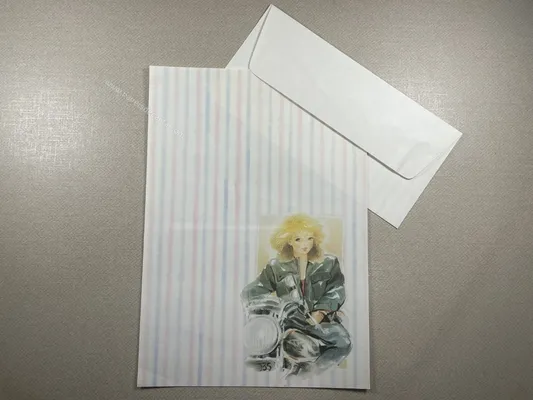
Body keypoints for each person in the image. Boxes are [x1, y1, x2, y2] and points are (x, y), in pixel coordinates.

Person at [241, 214, 352, 377]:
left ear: (315, 239)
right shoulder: (275, 266)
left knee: (343, 343)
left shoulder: (329, 263)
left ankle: (307, 374)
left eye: (309, 238)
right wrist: (276, 307)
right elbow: (251, 292)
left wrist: (322, 311)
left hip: (319, 321)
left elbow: (337, 289)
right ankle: (298, 368)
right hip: (288, 323)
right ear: (289, 241)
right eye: (298, 239)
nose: (305, 244)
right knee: (294, 349)